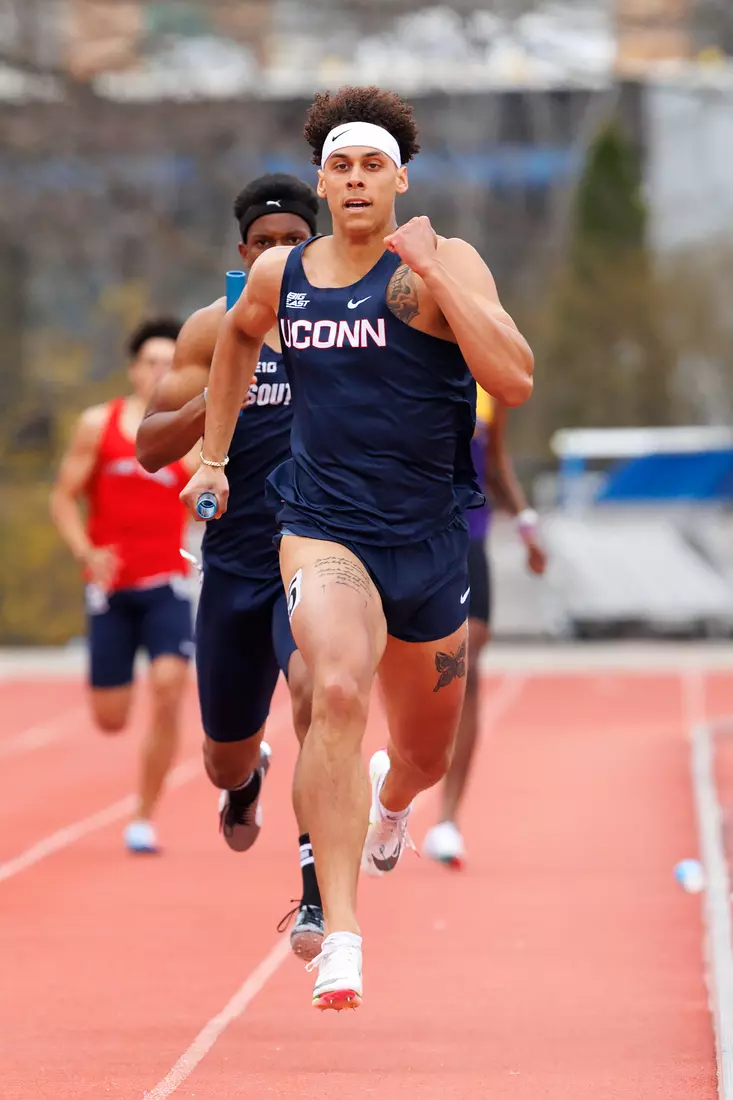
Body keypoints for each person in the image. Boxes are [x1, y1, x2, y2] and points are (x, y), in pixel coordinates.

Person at [181, 85, 534, 1011]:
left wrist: (441, 275)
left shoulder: (439, 264)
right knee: (333, 686)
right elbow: (233, 345)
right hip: (321, 529)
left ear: (399, 178)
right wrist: (213, 456)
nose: (354, 180)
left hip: (427, 541)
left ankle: (392, 801)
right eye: (338, 166)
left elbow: (515, 379)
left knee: (422, 751)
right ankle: (339, 930)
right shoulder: (281, 278)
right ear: (321, 182)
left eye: (372, 165)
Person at [136, 174, 324, 962]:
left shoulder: (345, 323)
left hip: (318, 552)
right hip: (235, 565)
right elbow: (150, 448)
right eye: (265, 246)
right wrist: (218, 397)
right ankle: (245, 782)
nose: (280, 256)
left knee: (323, 691)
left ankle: (318, 891)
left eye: (294, 244)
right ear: (242, 254)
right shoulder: (212, 329)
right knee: (223, 756)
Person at [50, 318, 195, 855]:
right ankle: (120, 684)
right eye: (151, 361)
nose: (160, 370)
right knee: (110, 719)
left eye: (170, 361)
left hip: (167, 584)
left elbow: (208, 500)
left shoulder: (192, 431)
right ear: (134, 368)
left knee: (168, 685)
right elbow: (63, 496)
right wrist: (86, 552)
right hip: (110, 588)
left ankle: (143, 815)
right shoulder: (98, 424)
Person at [423, 386, 547, 868]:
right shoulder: (407, 356)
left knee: (469, 663)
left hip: (469, 538)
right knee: (407, 669)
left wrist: (528, 528)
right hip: (413, 536)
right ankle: (395, 784)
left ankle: (448, 820)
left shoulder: (488, 386)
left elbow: (496, 465)